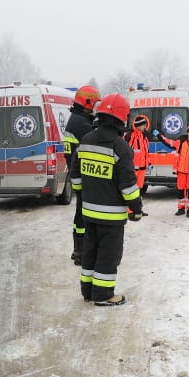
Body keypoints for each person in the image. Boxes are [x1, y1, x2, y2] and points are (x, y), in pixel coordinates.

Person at [70, 93, 142, 306]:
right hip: (111, 217)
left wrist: (83, 193)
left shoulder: (86, 140)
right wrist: (136, 209)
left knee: (90, 252)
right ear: (122, 118)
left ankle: (88, 291)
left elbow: (75, 175)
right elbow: (128, 186)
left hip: (88, 212)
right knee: (108, 255)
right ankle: (103, 295)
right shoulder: (120, 147)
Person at [63, 85, 101, 265]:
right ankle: (80, 251)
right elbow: (96, 140)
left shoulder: (77, 119)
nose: (93, 108)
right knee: (83, 214)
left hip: (76, 173)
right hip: (82, 176)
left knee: (80, 212)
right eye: (93, 104)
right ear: (86, 102)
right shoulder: (80, 123)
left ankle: (78, 249)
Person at [158, 125, 189, 218]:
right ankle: (181, 209)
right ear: (188, 132)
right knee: (180, 191)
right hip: (181, 171)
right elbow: (169, 142)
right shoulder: (181, 142)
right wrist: (160, 136)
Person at [125, 115, 149, 216]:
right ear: (139, 125)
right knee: (131, 189)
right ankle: (130, 210)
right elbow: (125, 151)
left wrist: (148, 162)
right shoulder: (130, 136)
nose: (145, 127)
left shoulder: (143, 136)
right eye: (144, 125)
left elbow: (146, 151)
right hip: (133, 169)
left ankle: (138, 208)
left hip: (142, 168)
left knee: (139, 190)